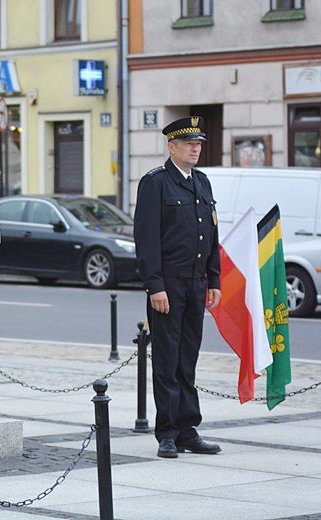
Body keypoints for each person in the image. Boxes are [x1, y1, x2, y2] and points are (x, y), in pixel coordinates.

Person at [133, 116, 222, 459]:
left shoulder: (203, 182)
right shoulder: (156, 183)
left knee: (188, 359)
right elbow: (147, 238)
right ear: (171, 147)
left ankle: (188, 428)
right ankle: (167, 432)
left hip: (196, 284)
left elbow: (211, 235)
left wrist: (213, 279)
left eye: (198, 143)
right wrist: (154, 285)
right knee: (167, 360)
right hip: (167, 285)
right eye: (188, 144)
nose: (195, 148)